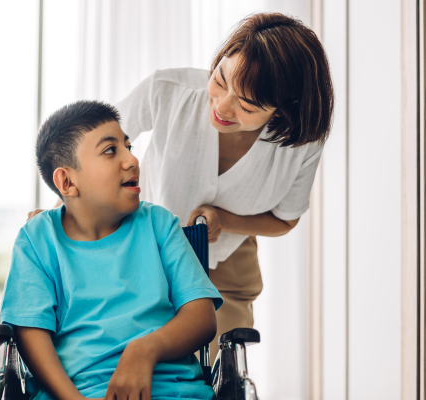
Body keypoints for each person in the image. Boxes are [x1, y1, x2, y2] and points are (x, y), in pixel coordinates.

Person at [28, 12, 334, 360]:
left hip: (226, 268)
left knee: (216, 375)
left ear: (283, 110)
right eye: (220, 81)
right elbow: (93, 151)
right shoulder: (167, 91)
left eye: (246, 104)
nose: (222, 106)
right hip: (141, 254)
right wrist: (57, 216)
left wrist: (225, 220)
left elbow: (285, 219)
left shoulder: (302, 143)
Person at [1, 100, 223, 400]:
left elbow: (202, 316)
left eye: (128, 146)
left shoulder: (159, 224)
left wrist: (145, 349)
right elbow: (30, 334)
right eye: (110, 150)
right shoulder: (37, 239)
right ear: (67, 181)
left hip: (175, 391)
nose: (132, 160)